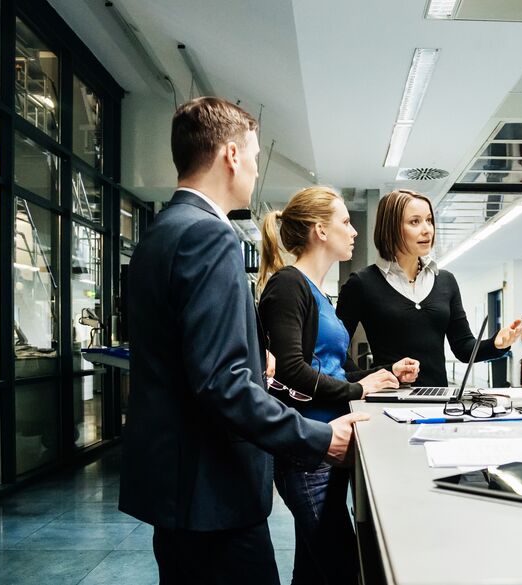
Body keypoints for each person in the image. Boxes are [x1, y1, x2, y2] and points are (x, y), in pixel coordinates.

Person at [119, 97, 369, 585]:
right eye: (253, 155)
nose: (255, 169)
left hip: (175, 490)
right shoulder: (209, 237)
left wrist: (257, 360)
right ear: (231, 154)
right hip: (211, 493)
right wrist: (320, 438)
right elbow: (221, 384)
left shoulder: (160, 233)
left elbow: (184, 359)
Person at [257, 186, 419, 584]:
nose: (354, 231)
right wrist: (357, 390)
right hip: (307, 449)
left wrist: (381, 374)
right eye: (346, 222)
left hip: (331, 442)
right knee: (342, 566)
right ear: (320, 231)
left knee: (313, 568)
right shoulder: (288, 286)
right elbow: (291, 370)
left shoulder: (319, 294)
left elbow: (330, 370)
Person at [336, 188, 522, 388]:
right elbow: (335, 351)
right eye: (415, 222)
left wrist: (497, 343)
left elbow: (464, 349)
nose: (427, 229)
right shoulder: (362, 283)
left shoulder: (445, 280)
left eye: (429, 220)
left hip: (437, 399)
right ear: (391, 228)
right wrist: (365, 380)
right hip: (387, 400)